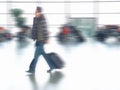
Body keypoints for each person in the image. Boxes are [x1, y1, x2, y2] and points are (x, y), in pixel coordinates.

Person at [26, 6, 55, 74]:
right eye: (35, 11)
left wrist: (47, 38)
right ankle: (52, 66)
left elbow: (45, 29)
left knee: (36, 55)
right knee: (44, 54)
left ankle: (32, 69)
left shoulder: (42, 19)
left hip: (42, 40)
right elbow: (34, 29)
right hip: (38, 40)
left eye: (36, 11)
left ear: (39, 12)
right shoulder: (36, 19)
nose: (35, 12)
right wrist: (33, 36)